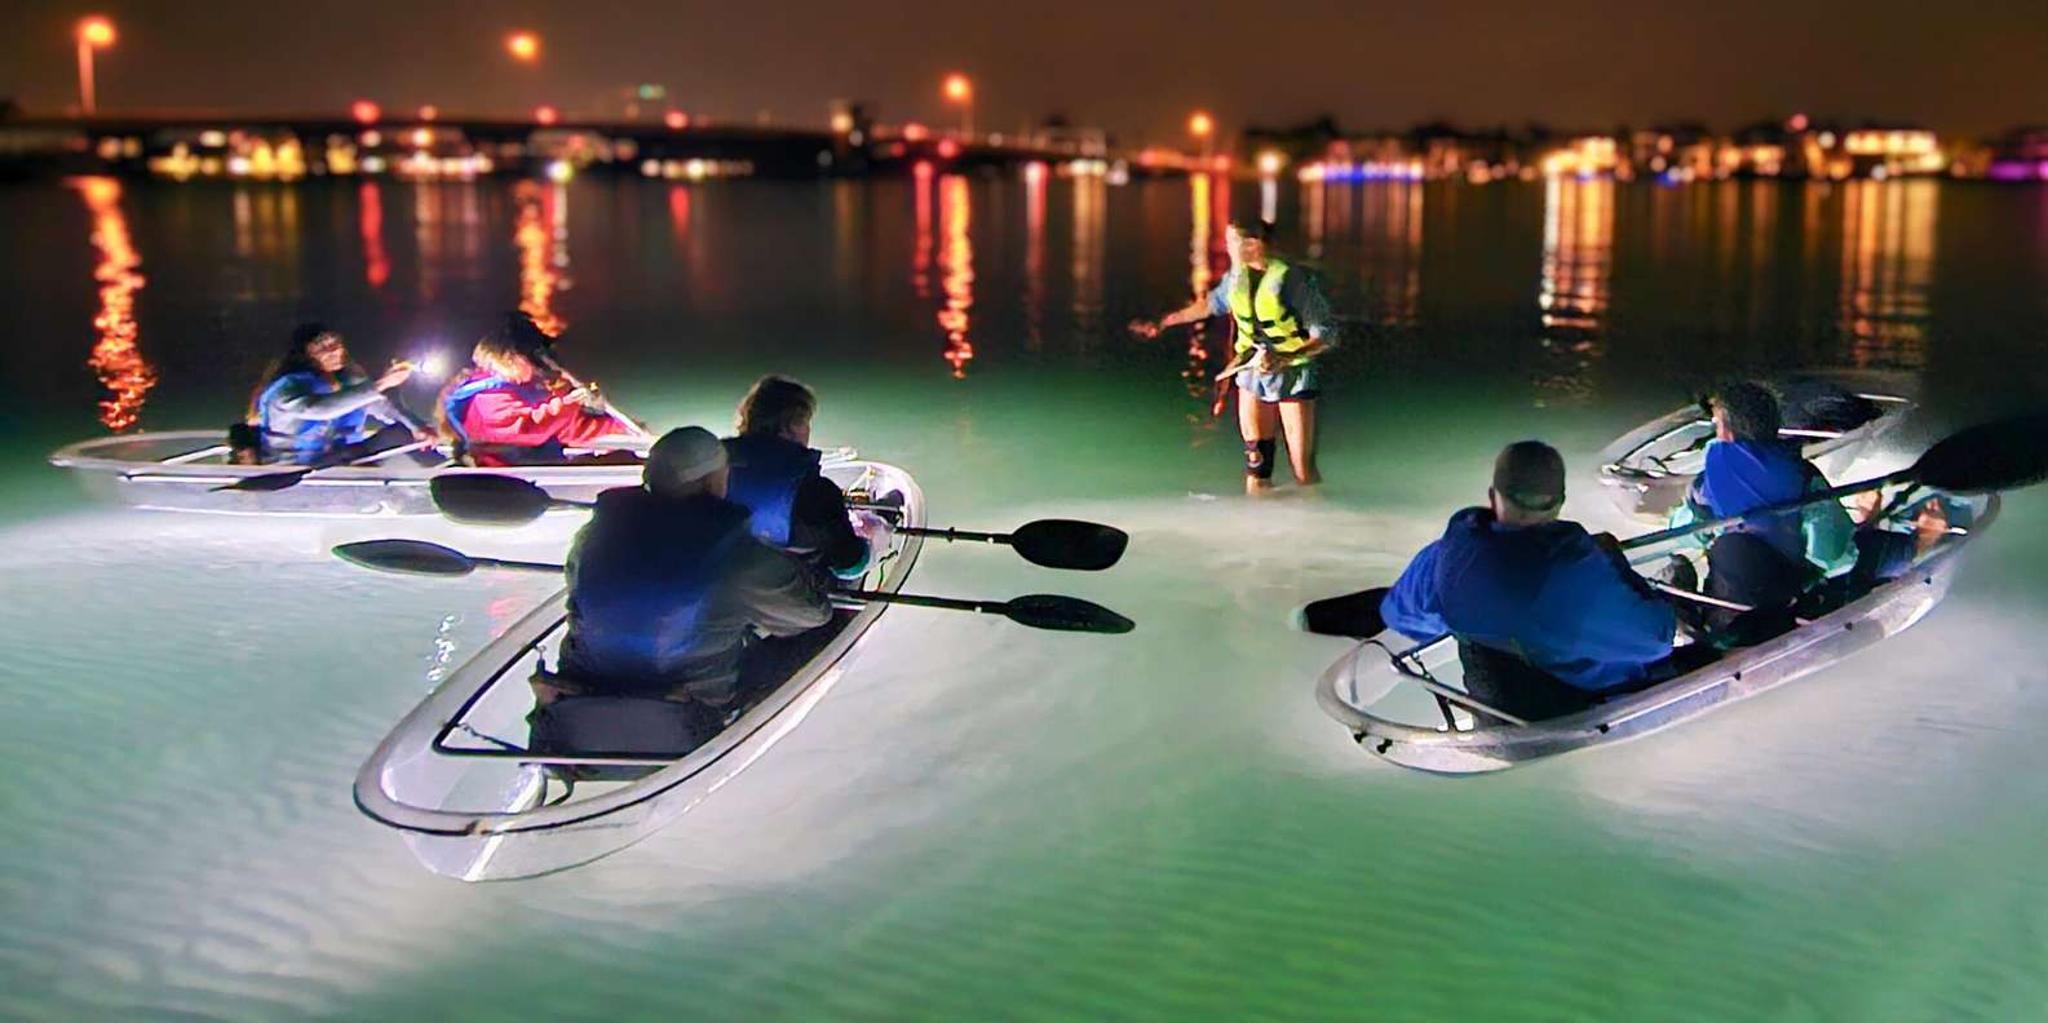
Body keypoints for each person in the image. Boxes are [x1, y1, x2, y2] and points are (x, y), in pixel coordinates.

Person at [535, 427, 836, 759]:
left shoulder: (591, 536)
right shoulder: (739, 554)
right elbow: (810, 614)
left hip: (582, 699)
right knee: (824, 628)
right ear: (711, 482)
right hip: (688, 715)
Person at [1379, 441, 1682, 724]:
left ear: (1492, 495)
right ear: (1559, 504)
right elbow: (1657, 641)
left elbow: (1400, 615)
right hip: (1577, 708)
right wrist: (1630, 581)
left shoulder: (1447, 553)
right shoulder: (1573, 577)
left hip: (1495, 711)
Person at [1129, 218, 1337, 495]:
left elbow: (1326, 334)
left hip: (1293, 374)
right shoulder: (1235, 277)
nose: (1227, 248)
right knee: (1257, 464)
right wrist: (1164, 322)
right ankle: (1259, 523)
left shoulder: (1291, 279)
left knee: (1302, 469)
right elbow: (1209, 306)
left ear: (1253, 245)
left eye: (1232, 242)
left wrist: (1284, 358)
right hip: (1251, 372)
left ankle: (1316, 521)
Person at [1674, 381, 1856, 645]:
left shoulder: (1704, 486)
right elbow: (1835, 558)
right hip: (1787, 612)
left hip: (1723, 620)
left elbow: (1682, 536)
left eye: (1717, 424)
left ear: (1727, 433)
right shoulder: (1804, 477)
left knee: (1681, 567)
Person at [723, 375, 894, 580]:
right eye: (805, 422)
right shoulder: (816, 490)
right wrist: (874, 545)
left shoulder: (713, 465)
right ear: (792, 425)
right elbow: (850, 564)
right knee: (850, 554)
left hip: (716, 583)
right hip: (781, 591)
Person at [438, 330, 620, 466]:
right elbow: (531, 429)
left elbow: (567, 429)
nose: (536, 369)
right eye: (531, 362)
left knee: (621, 458)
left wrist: (617, 427)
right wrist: (571, 401)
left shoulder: (520, 388)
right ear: (510, 359)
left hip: (534, 462)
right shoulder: (488, 398)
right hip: (505, 474)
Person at [251, 323, 418, 465]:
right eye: (323, 347)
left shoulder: (349, 381)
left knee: (404, 432)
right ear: (304, 354)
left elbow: (384, 408)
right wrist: (382, 384)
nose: (334, 351)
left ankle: (442, 474)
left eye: (336, 344)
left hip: (342, 460)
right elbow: (320, 409)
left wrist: (419, 427)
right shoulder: (286, 387)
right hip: (296, 466)